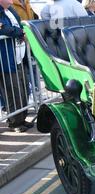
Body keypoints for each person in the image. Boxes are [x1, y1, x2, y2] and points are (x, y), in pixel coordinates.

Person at [0, 0, 31, 132]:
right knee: (12, 90)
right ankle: (14, 122)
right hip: (6, 59)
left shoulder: (11, 10)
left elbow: (19, 25)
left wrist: (21, 31)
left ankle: (22, 118)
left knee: (23, 87)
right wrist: (19, 32)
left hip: (19, 56)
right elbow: (3, 28)